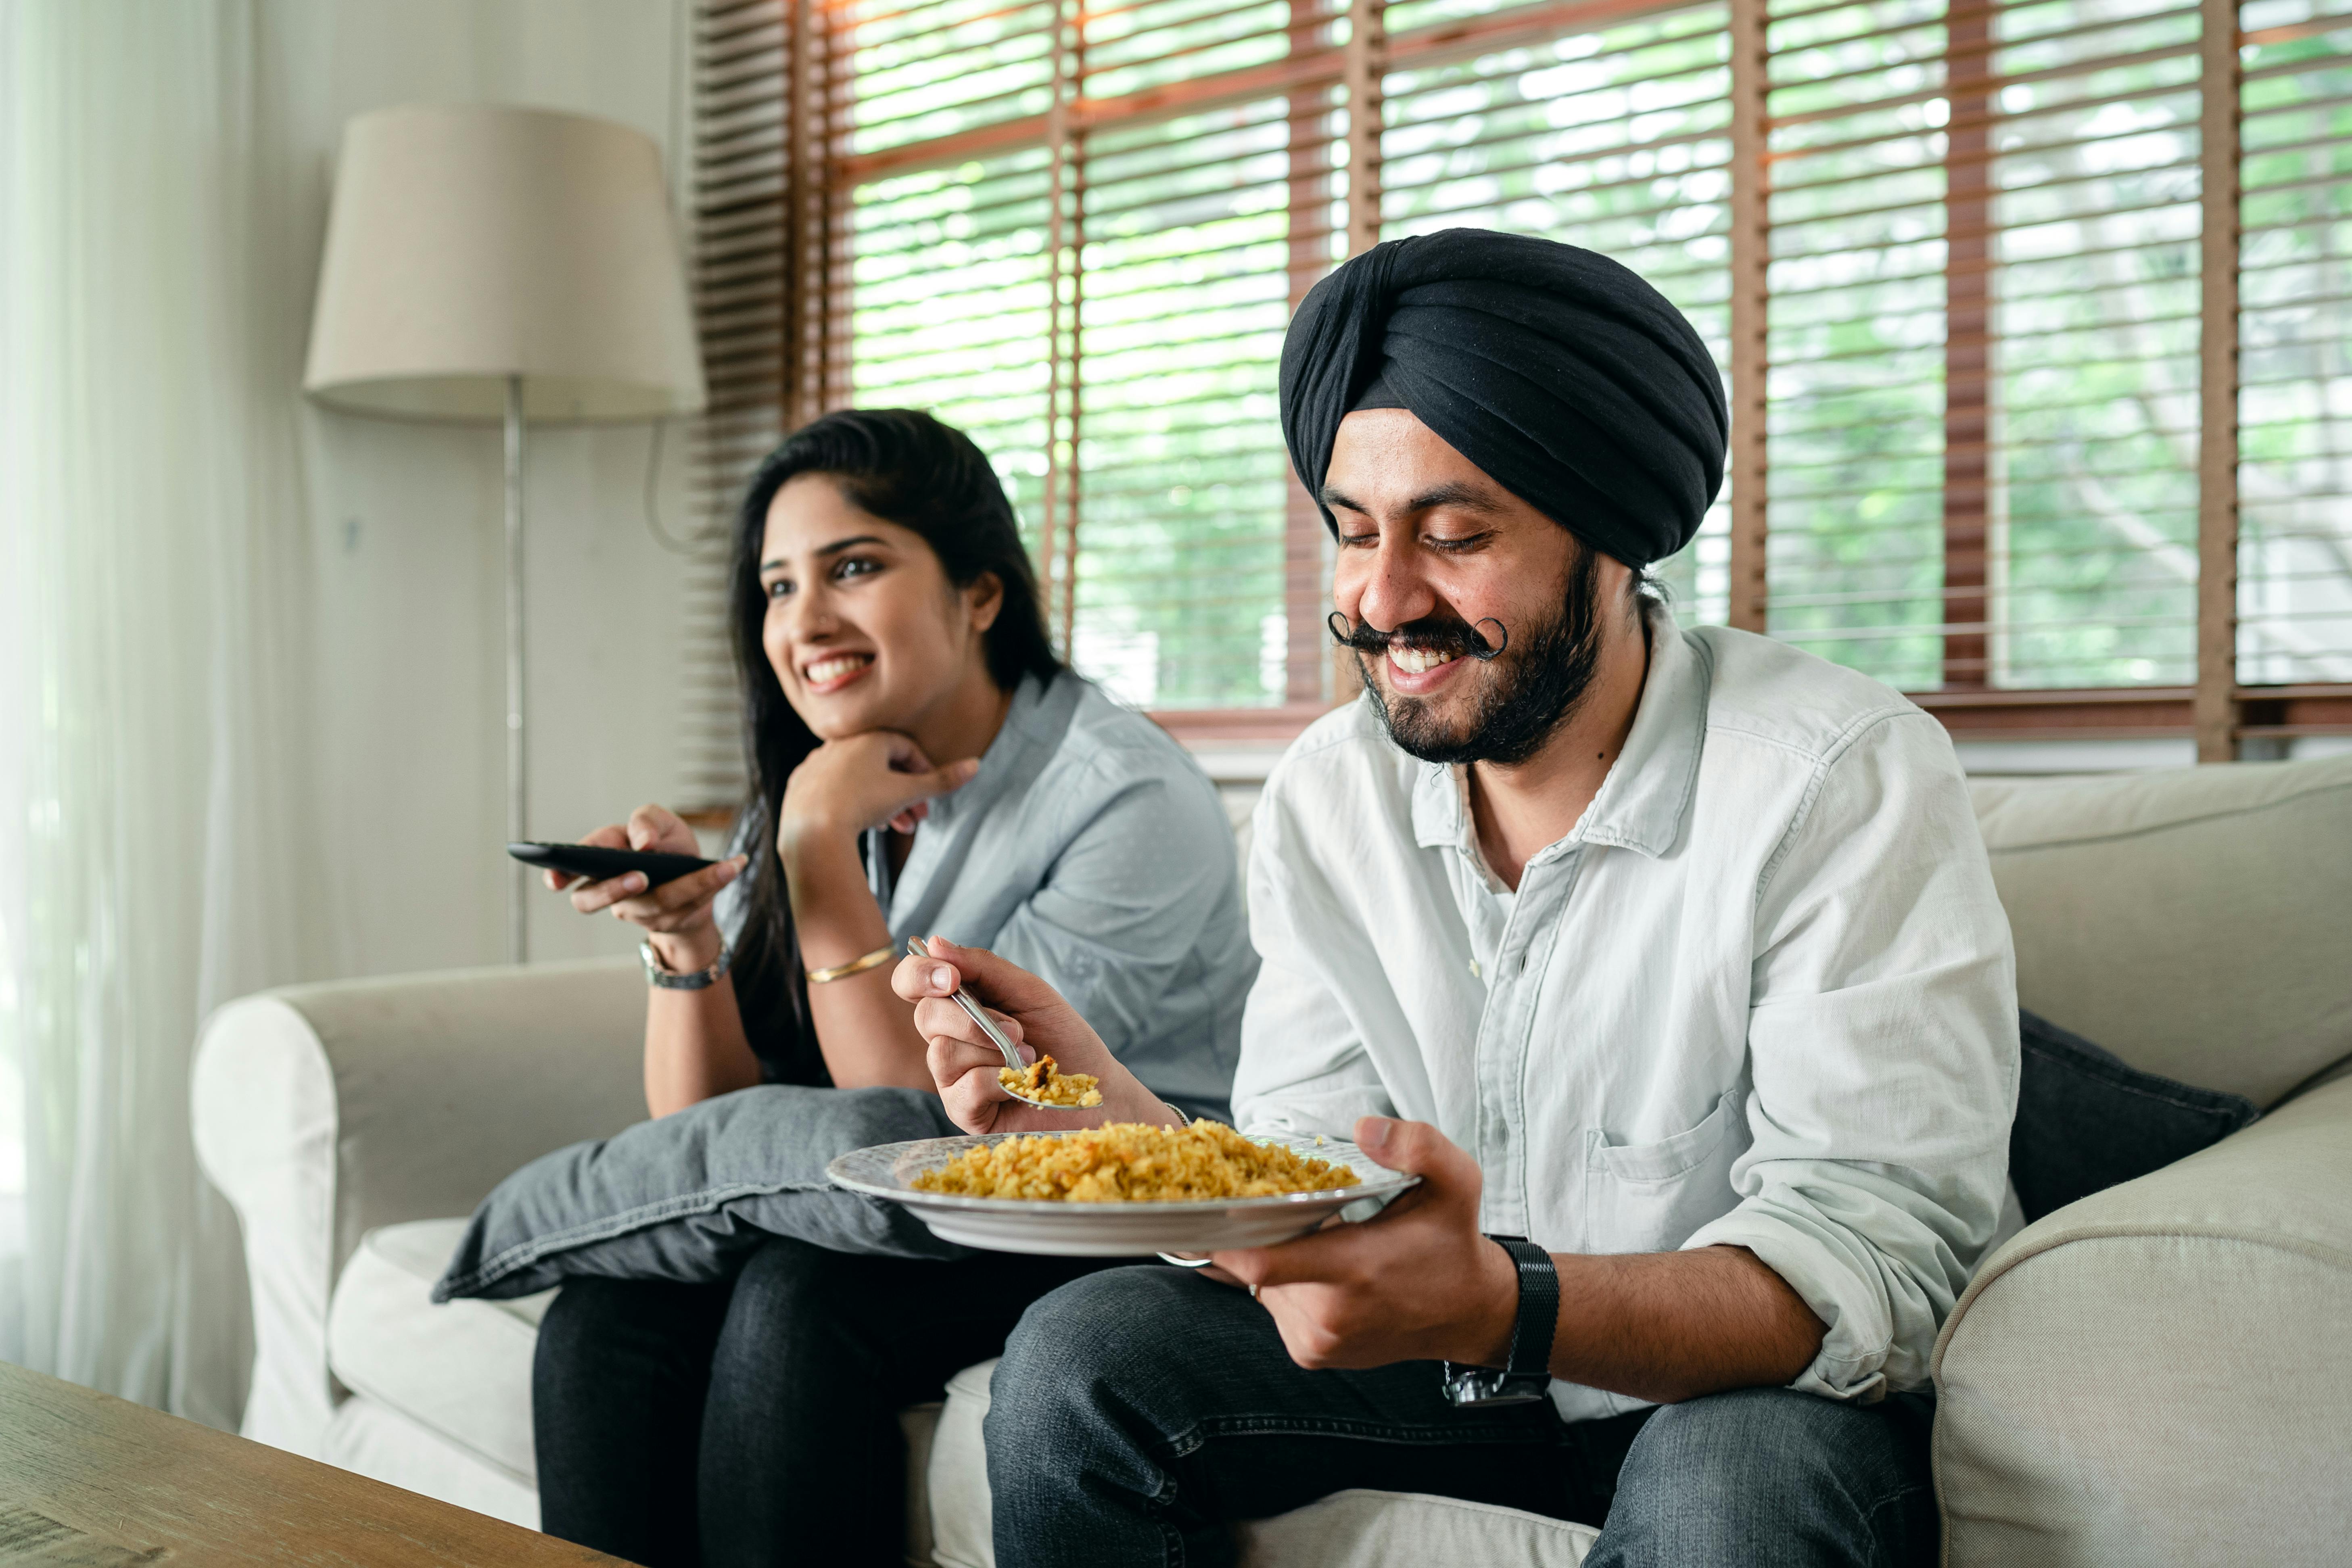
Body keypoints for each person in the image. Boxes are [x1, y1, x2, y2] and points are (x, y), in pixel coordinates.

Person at [894, 230, 2018, 1568]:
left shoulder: (1838, 774)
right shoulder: (1331, 793)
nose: (1381, 600)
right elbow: (1314, 1170)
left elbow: (1868, 1264)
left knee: (1728, 1500)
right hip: (1447, 1369)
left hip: (1748, 1401)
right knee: (1084, 1358)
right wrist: (1121, 1127)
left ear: (1610, 534)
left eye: (1456, 534)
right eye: (1354, 532)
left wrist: (1505, 1303)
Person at [527, 408, 1255, 1568]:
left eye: (852, 568)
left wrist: (815, 852)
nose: (804, 622)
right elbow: (706, 1130)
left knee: (800, 1304)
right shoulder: (833, 773)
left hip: (1122, 1219)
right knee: (604, 1318)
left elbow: (934, 1122)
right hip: (924, 1210)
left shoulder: (1127, 797)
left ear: (979, 592)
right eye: (776, 587)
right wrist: (684, 945)